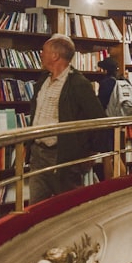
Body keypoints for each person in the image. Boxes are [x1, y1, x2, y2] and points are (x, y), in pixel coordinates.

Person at [28, 34, 106, 203]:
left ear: (55, 55)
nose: (41, 54)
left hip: (62, 155)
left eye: (44, 51)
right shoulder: (43, 81)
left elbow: (97, 118)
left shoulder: (78, 83)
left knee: (68, 204)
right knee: (35, 206)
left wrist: (89, 153)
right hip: (38, 153)